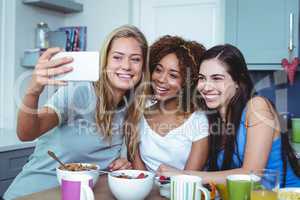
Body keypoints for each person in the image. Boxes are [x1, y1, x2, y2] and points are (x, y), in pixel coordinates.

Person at [4, 25, 150, 199]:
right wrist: (33, 91)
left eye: (135, 59)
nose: (126, 66)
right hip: (32, 194)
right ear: (105, 61)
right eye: (117, 57)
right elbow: (27, 133)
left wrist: (121, 166)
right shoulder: (79, 90)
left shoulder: (131, 108)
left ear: (142, 67)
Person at [157, 44, 300, 187]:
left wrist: (181, 174)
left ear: (238, 81)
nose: (206, 87)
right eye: (202, 78)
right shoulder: (213, 119)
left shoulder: (257, 107)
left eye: (217, 78)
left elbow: (252, 175)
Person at [130, 35, 209, 172]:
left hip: (181, 192)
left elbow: (189, 179)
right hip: (145, 191)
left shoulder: (198, 121)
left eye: (173, 75)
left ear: (187, 82)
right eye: (158, 70)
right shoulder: (139, 116)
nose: (161, 79)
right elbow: (139, 176)